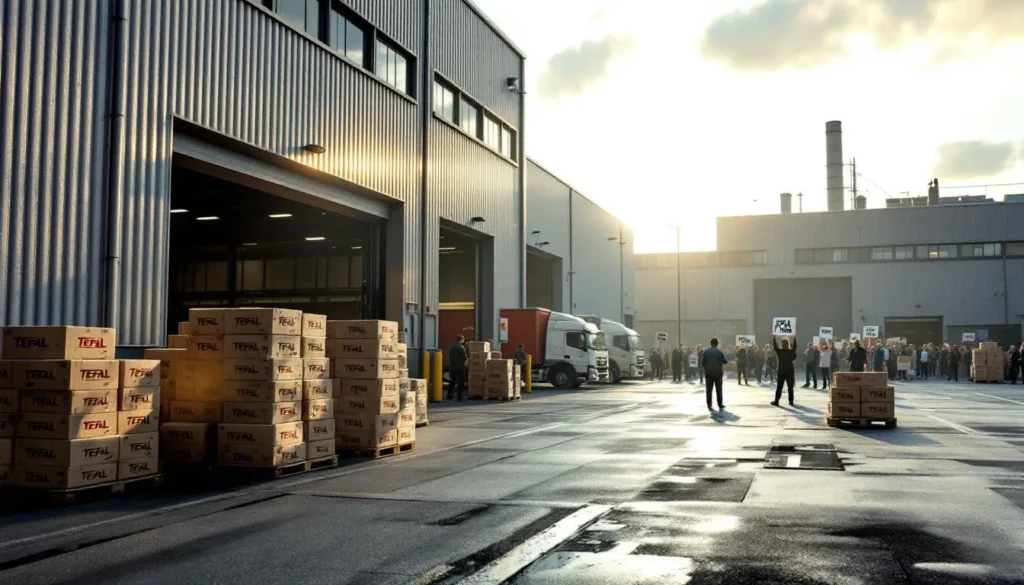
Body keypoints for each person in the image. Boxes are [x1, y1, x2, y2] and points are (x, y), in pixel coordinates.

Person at [700, 337, 728, 412]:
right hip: (718, 373)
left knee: (709, 389)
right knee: (719, 389)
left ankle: (709, 404)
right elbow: (725, 362)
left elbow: (702, 363)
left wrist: (707, 368)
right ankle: (720, 404)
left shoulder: (706, 352)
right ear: (717, 344)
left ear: (711, 344)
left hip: (709, 373)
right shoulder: (719, 352)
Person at [771, 335, 798, 406]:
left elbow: (794, 348)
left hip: (786, 372)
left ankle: (788, 401)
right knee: (782, 387)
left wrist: (794, 339)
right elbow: (776, 347)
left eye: (785, 343)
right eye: (783, 343)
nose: (783, 344)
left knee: (787, 387)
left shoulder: (788, 351)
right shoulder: (781, 351)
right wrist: (774, 339)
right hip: (784, 372)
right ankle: (781, 401)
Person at [447, 334, 469, 401]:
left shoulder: (451, 347)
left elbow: (450, 356)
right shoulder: (462, 348)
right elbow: (465, 358)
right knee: (460, 382)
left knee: (452, 382)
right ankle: (459, 397)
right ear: (461, 340)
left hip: (452, 367)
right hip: (460, 367)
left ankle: (449, 396)